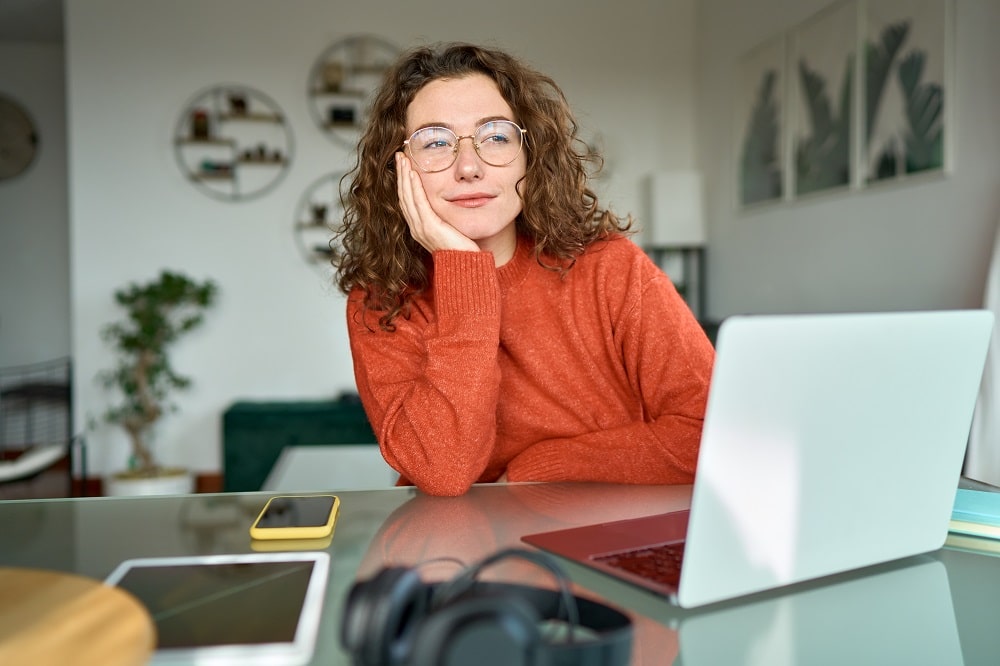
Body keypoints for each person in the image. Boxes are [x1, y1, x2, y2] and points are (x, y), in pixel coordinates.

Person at [335, 42, 714, 497]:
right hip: (458, 547)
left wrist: (543, 467)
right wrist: (462, 268)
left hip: (605, 533)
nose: (469, 167)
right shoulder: (382, 302)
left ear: (529, 155)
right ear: (399, 170)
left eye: (495, 136)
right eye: (436, 142)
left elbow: (712, 434)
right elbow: (443, 470)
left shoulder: (611, 267)